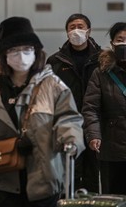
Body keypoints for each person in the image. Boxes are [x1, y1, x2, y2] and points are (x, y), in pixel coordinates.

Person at [0, 16, 85, 207]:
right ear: (4, 55)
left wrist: (70, 140)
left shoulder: (51, 85)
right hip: (0, 182)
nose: (22, 55)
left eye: (27, 49)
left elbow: (69, 118)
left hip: (43, 180)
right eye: (14, 50)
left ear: (36, 51)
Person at [46, 13, 101, 192]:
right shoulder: (55, 61)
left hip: (96, 124)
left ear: (89, 30)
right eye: (72, 27)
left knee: (94, 174)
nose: (76, 30)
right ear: (67, 32)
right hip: (67, 124)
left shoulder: (102, 59)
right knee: (70, 173)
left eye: (80, 26)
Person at [82, 22, 126, 194]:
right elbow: (90, 107)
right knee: (113, 196)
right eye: (120, 39)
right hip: (111, 148)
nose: (124, 43)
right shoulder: (101, 73)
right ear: (113, 43)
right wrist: (93, 135)